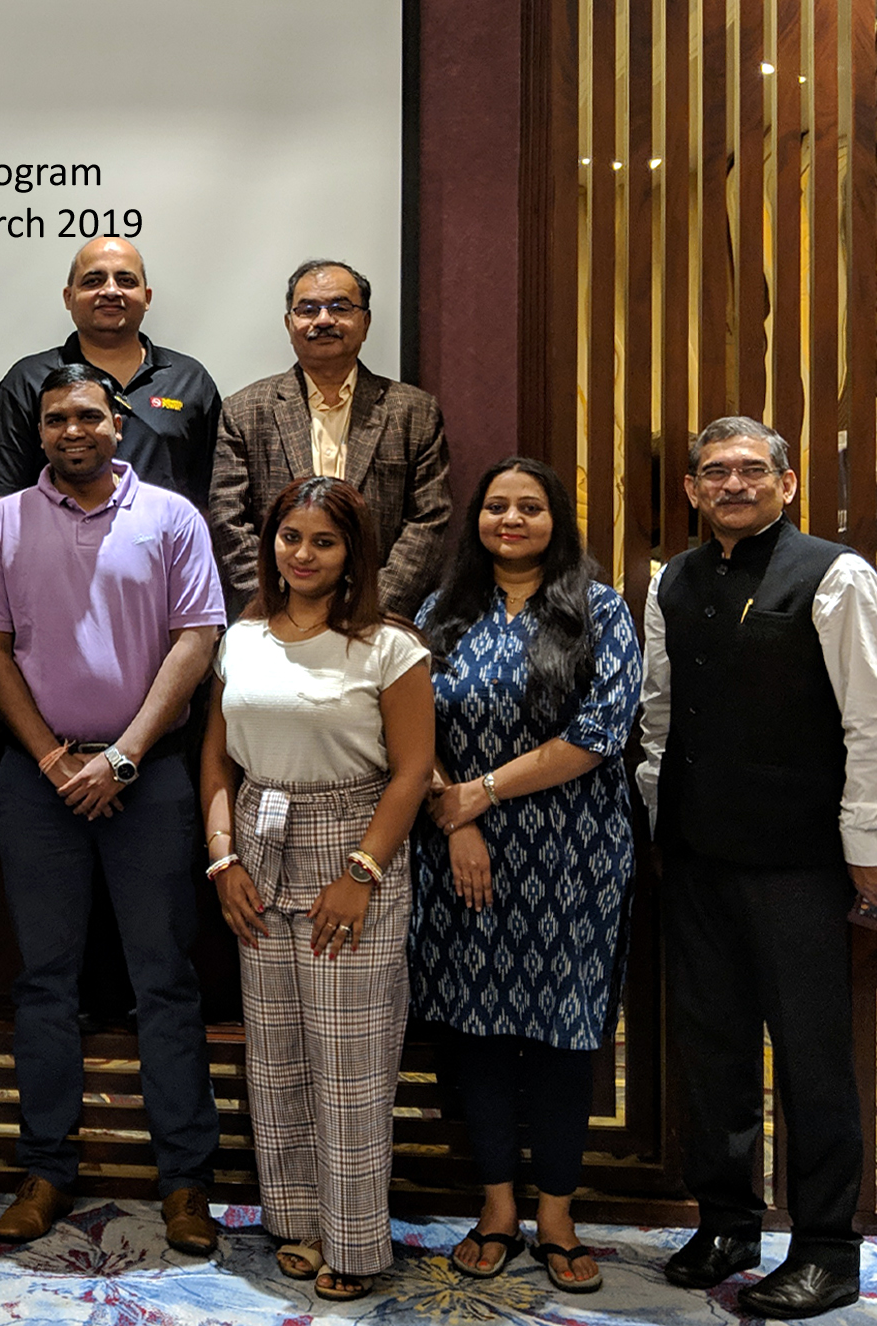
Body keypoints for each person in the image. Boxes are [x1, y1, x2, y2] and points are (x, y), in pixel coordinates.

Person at [0, 364, 224, 1253]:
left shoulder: (172, 516)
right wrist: (53, 757)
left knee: (164, 979)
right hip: (37, 781)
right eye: (54, 420)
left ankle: (185, 1180)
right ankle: (46, 1170)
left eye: (86, 415)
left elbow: (197, 639)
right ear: (38, 433)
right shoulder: (4, 521)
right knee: (45, 980)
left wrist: (121, 757)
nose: (71, 431)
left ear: (117, 423)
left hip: (148, 778)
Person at [639, 416, 877, 1320]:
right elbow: (659, 719)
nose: (732, 484)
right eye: (714, 472)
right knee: (713, 1053)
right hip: (697, 854)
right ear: (692, 490)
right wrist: (656, 827)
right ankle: (727, 1225)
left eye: (750, 470)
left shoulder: (835, 575)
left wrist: (867, 851)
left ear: (787, 483)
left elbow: (869, 721)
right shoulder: (672, 580)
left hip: (800, 863)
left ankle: (826, 1249)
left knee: (812, 1061)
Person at [410, 458, 642, 1293]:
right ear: (476, 518)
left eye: (530, 507)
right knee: (474, 1031)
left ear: (557, 520)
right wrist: (459, 816)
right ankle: (498, 1206)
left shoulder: (599, 610)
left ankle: (558, 1214)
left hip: (575, 856)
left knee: (561, 1036)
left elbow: (602, 731)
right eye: (497, 506)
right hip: (460, 853)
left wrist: (481, 792)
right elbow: (407, 728)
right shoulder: (440, 613)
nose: (511, 519)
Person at [200, 476, 434, 1302]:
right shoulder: (244, 635)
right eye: (290, 537)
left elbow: (412, 772)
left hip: (353, 843)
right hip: (257, 842)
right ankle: (296, 1220)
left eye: (323, 542)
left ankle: (357, 1242)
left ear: (352, 553)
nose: (303, 555)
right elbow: (217, 757)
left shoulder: (390, 646)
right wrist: (222, 859)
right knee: (276, 1057)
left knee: (349, 1063)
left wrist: (362, 873)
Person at [208, 259, 451, 619]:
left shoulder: (414, 412)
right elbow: (228, 518)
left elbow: (428, 521)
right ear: (289, 324)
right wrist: (281, 605)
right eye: (308, 310)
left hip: (377, 623)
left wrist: (370, 607)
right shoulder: (245, 411)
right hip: (276, 621)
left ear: (365, 322)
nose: (323, 320)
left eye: (340, 308)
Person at [0, 238, 221, 514]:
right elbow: (2, 502)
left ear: (147, 297)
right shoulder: (28, 381)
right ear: (68, 297)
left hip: (166, 542)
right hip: (53, 542)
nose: (110, 291)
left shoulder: (190, 381)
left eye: (126, 281)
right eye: (93, 281)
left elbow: (213, 500)